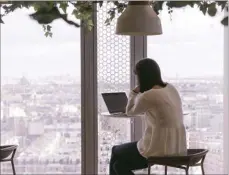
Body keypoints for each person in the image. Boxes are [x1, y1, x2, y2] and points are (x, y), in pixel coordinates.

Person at [109, 58, 187, 175]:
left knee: (115, 151)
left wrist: (133, 93)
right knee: (118, 165)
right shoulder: (171, 88)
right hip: (176, 147)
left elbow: (130, 111)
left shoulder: (149, 95)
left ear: (142, 77)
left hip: (157, 148)